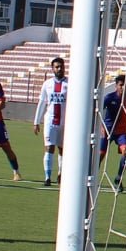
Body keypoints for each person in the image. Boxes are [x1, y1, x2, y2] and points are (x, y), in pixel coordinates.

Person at [98, 74, 126, 192]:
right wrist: (101, 126)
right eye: (121, 85)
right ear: (116, 85)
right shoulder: (110, 97)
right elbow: (97, 111)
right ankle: (95, 176)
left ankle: (118, 178)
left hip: (122, 132)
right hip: (108, 131)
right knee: (100, 155)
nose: (123, 87)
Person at [32, 56, 70, 185]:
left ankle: (61, 174)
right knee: (49, 148)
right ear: (52, 69)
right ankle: (47, 177)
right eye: (57, 67)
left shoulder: (70, 83)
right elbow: (42, 102)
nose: (60, 69)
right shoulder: (47, 84)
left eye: (61, 67)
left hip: (66, 123)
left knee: (63, 149)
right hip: (50, 121)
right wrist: (36, 121)